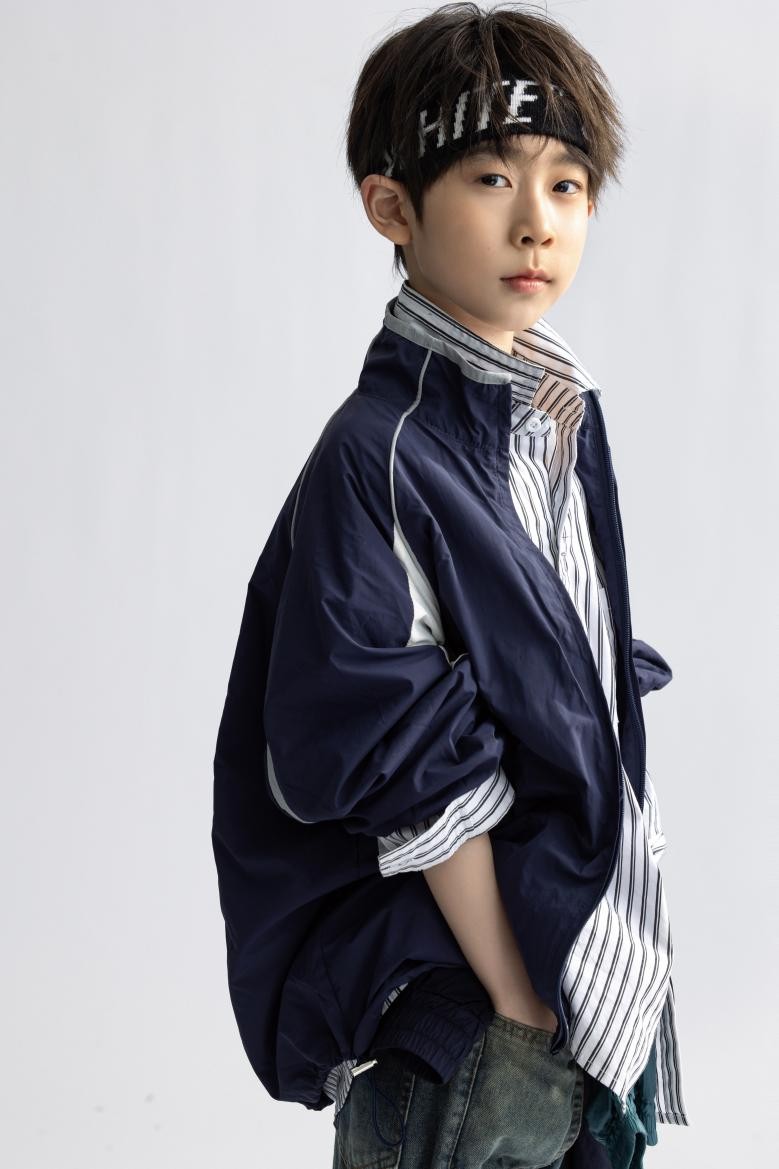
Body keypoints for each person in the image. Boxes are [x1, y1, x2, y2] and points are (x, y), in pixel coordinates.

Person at [211, 4, 691, 1166]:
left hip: (570, 977)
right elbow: (400, 761)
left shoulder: (553, 421)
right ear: (391, 207)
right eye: (490, 177)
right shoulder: (379, 456)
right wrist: (520, 1000)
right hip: (467, 1002)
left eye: (566, 184)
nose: (537, 221)